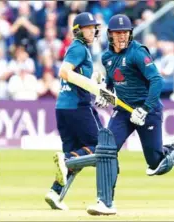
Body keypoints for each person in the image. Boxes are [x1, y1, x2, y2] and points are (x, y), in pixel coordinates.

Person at [87, 14, 174, 215]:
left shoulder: (137, 53)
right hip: (124, 111)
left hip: (148, 110)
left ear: (130, 34)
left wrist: (144, 109)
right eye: (118, 33)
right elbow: (112, 82)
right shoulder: (107, 57)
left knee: (155, 164)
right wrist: (105, 93)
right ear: (110, 35)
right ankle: (105, 202)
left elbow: (157, 81)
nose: (122, 37)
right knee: (105, 150)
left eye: (125, 33)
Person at [45, 12, 102, 210]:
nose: (93, 30)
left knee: (77, 154)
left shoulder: (79, 48)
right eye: (89, 27)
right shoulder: (79, 48)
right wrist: (94, 87)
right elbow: (64, 72)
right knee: (101, 147)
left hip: (63, 108)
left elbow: (78, 77)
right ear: (78, 30)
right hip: (77, 107)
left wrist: (95, 80)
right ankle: (66, 160)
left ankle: (54, 193)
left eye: (94, 27)